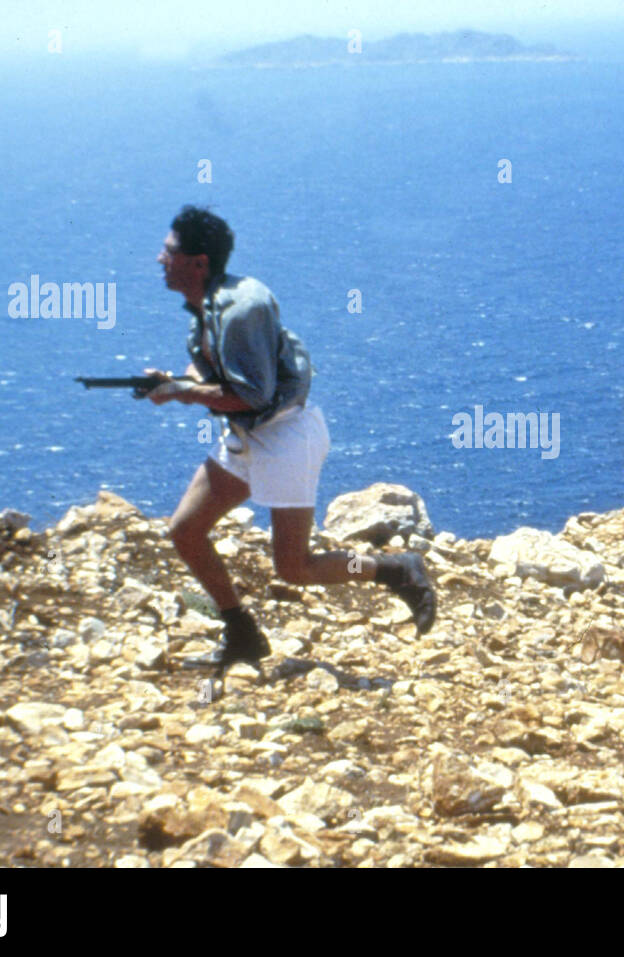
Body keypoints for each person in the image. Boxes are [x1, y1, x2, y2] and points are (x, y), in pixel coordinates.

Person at [142, 205, 436, 673]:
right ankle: (241, 634)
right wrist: (175, 380)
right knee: (186, 530)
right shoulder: (207, 305)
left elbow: (252, 395)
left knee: (294, 568)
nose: (159, 259)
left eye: (169, 251)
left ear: (198, 263)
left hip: (285, 438)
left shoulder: (242, 307)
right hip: (247, 437)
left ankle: (396, 569)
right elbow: (211, 368)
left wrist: (184, 394)